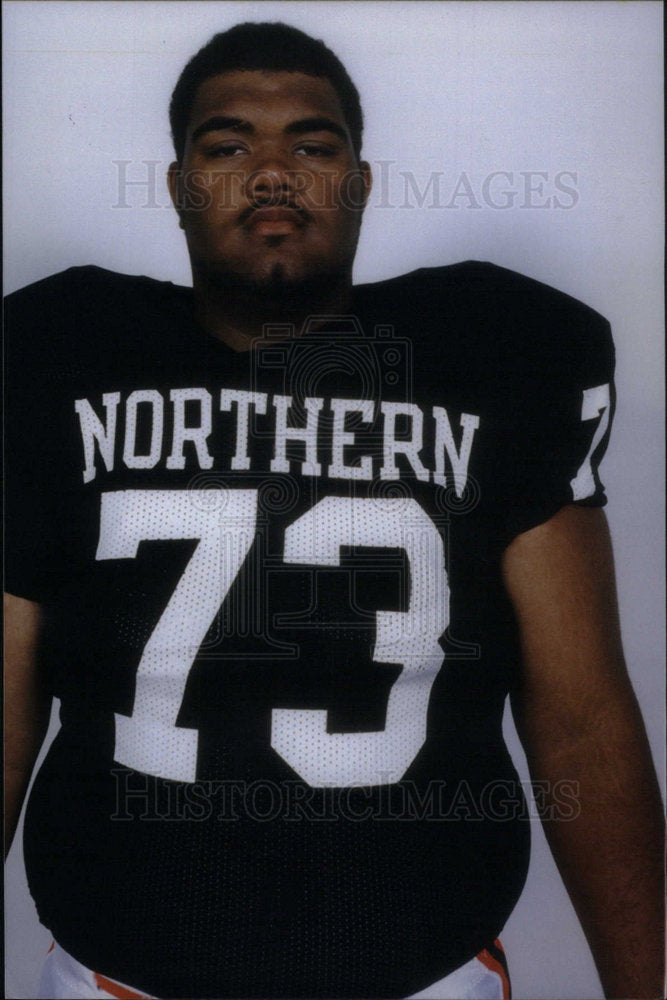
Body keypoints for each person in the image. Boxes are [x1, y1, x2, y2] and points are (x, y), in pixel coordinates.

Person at [4, 20, 663, 1000]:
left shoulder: (497, 355)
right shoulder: (57, 354)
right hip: (116, 978)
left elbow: (578, 721)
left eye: (313, 146)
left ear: (358, 181)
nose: (273, 174)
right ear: (179, 183)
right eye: (227, 145)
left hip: (427, 978)